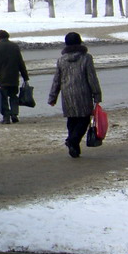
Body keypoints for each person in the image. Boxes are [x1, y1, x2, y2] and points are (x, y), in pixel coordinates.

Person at [48, 31, 103, 159]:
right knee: (83, 120)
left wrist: (52, 97)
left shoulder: (61, 60)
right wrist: (97, 95)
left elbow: (57, 79)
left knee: (72, 121)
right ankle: (72, 141)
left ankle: (75, 149)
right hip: (83, 94)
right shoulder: (86, 58)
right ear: (79, 42)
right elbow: (92, 78)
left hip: (67, 94)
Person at [0, 29, 29, 124]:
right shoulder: (15, 46)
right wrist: (25, 77)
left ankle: (6, 117)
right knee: (13, 96)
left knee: (3, 97)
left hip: (2, 78)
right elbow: (21, 63)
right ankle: (14, 115)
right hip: (14, 77)